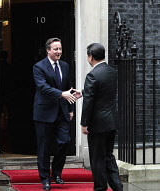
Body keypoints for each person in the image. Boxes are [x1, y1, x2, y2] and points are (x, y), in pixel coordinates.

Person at [73, 43, 123, 191]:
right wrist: (83, 91)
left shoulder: (92, 75)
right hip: (111, 122)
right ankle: (117, 186)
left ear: (91, 56)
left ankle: (100, 188)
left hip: (98, 124)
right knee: (108, 155)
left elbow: (89, 103)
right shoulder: (111, 71)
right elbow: (102, 90)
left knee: (97, 158)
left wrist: (84, 123)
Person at [33, 37, 76, 190]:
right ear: (48, 50)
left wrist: (71, 109)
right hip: (44, 112)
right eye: (56, 49)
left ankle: (56, 173)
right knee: (44, 147)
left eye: (60, 49)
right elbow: (42, 87)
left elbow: (68, 87)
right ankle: (45, 179)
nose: (59, 52)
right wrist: (61, 94)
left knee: (64, 142)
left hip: (62, 111)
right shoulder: (39, 67)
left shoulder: (64, 66)